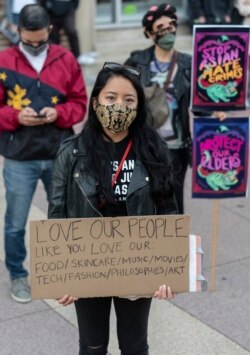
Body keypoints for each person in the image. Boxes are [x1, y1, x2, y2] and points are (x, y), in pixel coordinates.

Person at [48, 62, 178, 355]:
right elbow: (57, 216)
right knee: (92, 346)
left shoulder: (155, 152)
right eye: (111, 98)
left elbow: (169, 212)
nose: (119, 106)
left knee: (134, 346)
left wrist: (170, 270)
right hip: (87, 266)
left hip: (136, 263)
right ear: (95, 103)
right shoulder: (71, 153)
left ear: (138, 107)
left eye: (128, 100)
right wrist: (60, 275)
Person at [0, 4, 88, 303]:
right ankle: (18, 275)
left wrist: (59, 113)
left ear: (50, 29)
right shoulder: (4, 60)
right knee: (15, 222)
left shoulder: (66, 58)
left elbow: (80, 103)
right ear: (18, 31)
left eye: (40, 38)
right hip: (18, 154)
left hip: (59, 151)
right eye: (28, 39)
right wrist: (15, 117)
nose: (35, 44)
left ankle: (63, 272)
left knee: (64, 217)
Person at [124, 3, 226, 214]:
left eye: (171, 26)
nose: (168, 31)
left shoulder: (188, 63)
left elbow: (200, 104)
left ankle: (174, 244)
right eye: (161, 28)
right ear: (149, 33)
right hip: (144, 145)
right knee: (143, 199)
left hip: (176, 147)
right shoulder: (137, 61)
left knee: (174, 201)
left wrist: (214, 111)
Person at [39, 0, 95, 65]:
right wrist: (46, 7)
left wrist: (73, 8)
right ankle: (55, 57)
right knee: (53, 36)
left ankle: (78, 56)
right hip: (51, 12)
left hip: (68, 10)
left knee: (71, 31)